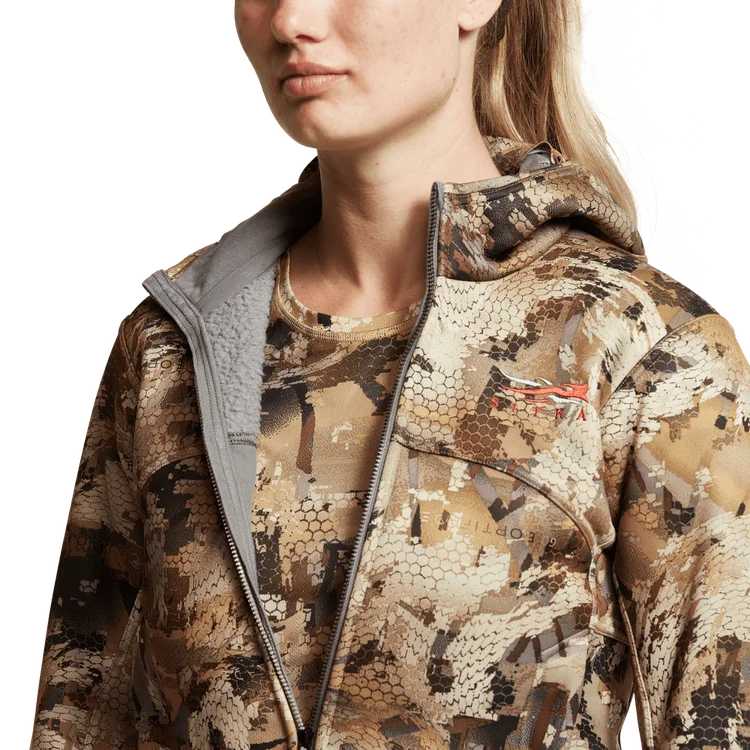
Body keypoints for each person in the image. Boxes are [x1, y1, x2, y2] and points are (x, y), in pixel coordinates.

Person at [30, 0, 749, 748]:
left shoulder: (641, 343)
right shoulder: (172, 345)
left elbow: (721, 722)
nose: (292, 19)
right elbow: (78, 719)